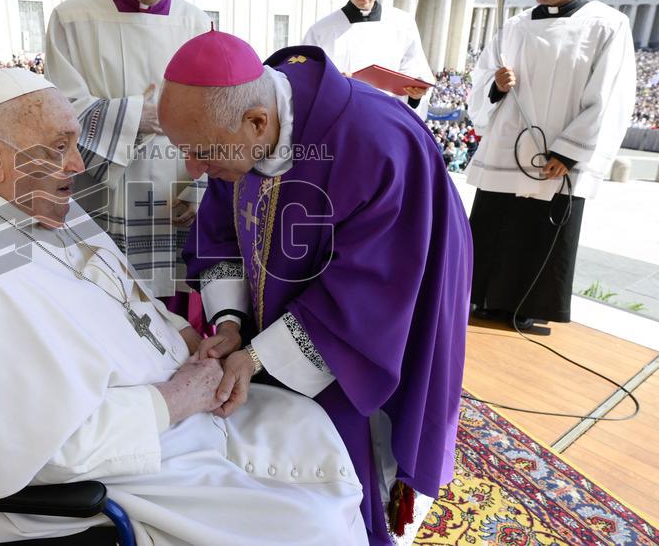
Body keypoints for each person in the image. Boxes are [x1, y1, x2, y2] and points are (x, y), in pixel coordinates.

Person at [0, 68, 368, 546]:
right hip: (123, 465)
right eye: (59, 147)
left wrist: (184, 337)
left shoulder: (29, 200)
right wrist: (172, 399)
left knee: (307, 426)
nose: (79, 165)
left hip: (171, 415)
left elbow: (125, 298)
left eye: (75, 143)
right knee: (312, 526)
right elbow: (41, 451)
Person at [159, 29, 472, 544]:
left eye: (201, 152)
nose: (195, 169)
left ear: (258, 122)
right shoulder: (234, 121)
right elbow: (218, 233)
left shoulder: (374, 145)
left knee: (351, 467)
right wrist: (233, 324)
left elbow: (368, 297)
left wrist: (258, 359)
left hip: (372, 328)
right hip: (287, 316)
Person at [44, 0, 209, 315]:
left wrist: (198, 190)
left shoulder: (197, 24)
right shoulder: (72, 19)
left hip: (172, 202)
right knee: (107, 312)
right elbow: (62, 116)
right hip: (104, 202)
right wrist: (139, 115)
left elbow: (216, 120)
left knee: (171, 323)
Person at [466, 0, 635, 328]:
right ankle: (481, 300)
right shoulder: (514, 25)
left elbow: (611, 96)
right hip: (507, 149)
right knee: (495, 227)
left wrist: (569, 151)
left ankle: (526, 310)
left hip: (557, 159)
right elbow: (481, 78)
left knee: (539, 235)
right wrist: (497, 85)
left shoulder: (607, 26)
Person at [302, 0, 434, 120]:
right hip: (339, 122)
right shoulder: (320, 31)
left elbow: (415, 70)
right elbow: (305, 83)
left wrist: (415, 94)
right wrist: (334, 83)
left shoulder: (403, 23)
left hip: (387, 121)